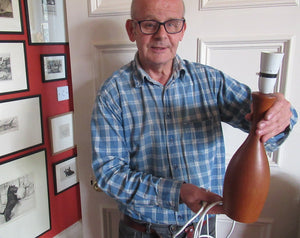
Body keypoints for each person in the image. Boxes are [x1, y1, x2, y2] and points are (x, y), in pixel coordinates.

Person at [91, 0, 298, 237]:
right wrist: (176, 192)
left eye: (172, 24)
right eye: (149, 24)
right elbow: (108, 174)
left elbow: (267, 135)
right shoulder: (112, 94)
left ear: (182, 30)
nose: (161, 35)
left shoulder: (210, 81)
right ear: (132, 30)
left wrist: (279, 115)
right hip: (141, 231)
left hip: (201, 228)